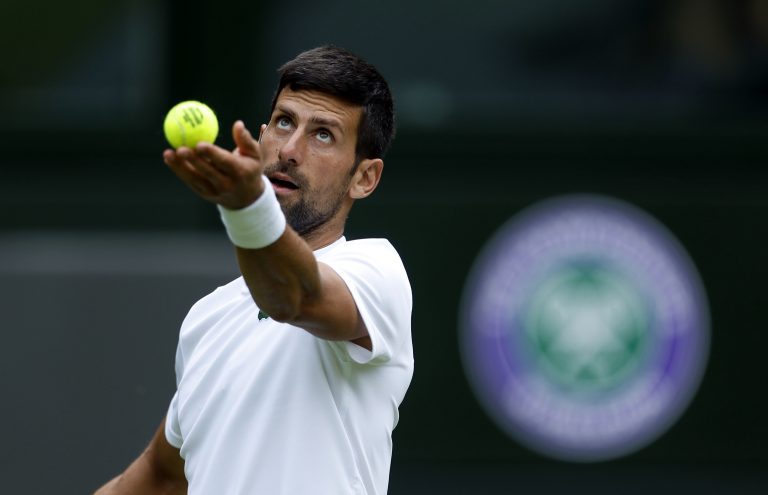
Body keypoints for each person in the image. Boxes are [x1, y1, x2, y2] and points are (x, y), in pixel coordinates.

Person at [94, 45, 413, 495]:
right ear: (261, 135)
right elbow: (161, 475)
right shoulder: (207, 319)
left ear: (365, 177)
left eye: (323, 135)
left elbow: (293, 299)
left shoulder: (376, 270)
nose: (290, 150)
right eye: (284, 122)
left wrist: (247, 206)